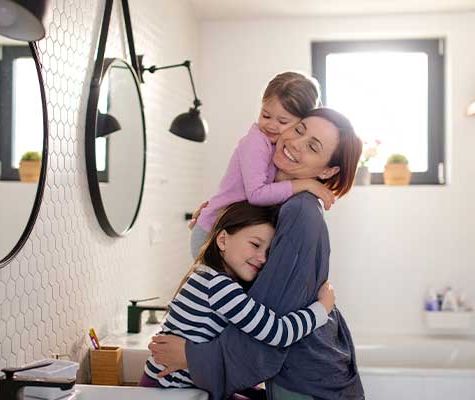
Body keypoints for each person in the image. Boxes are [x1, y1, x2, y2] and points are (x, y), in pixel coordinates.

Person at [151, 108, 365, 400]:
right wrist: (215, 213)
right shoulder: (278, 199)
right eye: (300, 129)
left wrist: (194, 357)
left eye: (313, 146)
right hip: (301, 372)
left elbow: (273, 318)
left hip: (308, 378)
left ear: (327, 171)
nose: (295, 143)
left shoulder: (300, 211)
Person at [140, 201, 336, 395]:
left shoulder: (205, 275)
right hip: (167, 390)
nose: (263, 258)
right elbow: (279, 333)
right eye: (255, 244)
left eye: (269, 252)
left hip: (175, 388)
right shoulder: (219, 287)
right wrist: (322, 308)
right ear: (222, 240)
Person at [189, 72, 336, 259]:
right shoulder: (256, 143)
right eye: (265, 115)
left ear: (301, 123)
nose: (271, 126)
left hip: (232, 233)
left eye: (283, 121)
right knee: (218, 288)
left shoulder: (278, 148)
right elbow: (256, 194)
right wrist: (306, 184)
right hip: (212, 233)